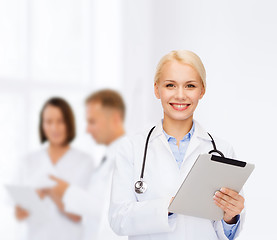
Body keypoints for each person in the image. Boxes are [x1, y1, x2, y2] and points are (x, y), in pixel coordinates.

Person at [109, 50, 245, 240]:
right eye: (170, 85)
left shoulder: (222, 150)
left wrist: (231, 217)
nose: (180, 95)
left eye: (190, 86)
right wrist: (169, 207)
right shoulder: (132, 149)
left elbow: (227, 232)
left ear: (202, 91)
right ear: (157, 89)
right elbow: (118, 219)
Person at [48, 89, 127, 240]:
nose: (87, 130)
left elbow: (110, 211)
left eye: (92, 122)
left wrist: (67, 191)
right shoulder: (108, 157)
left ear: (115, 119)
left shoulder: (127, 157)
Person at [15, 97, 95, 240]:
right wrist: (27, 204)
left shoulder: (84, 162)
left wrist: (51, 192)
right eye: (49, 122)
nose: (54, 128)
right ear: (42, 125)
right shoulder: (28, 161)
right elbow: (20, 214)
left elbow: (79, 215)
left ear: (69, 124)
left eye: (60, 121)